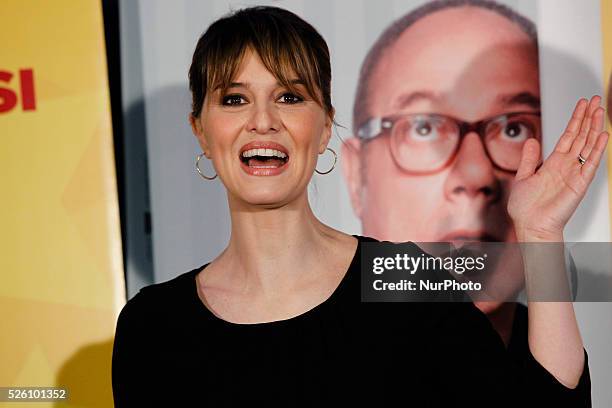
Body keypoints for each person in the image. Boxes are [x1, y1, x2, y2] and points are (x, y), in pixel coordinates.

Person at [112, 5, 606, 407]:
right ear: (200, 128)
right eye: (235, 99)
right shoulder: (154, 327)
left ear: (325, 126)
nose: (262, 122)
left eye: (288, 96)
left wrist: (540, 236)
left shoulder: (403, 282)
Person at [341, 0, 597, 353]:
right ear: (357, 175)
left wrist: (540, 236)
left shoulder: (556, 355)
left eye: (513, 128)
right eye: (425, 127)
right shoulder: (317, 355)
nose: (476, 174)